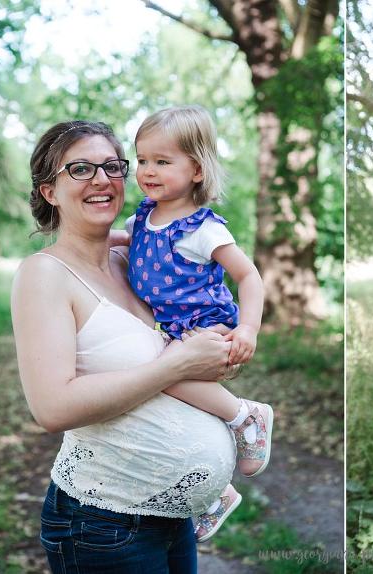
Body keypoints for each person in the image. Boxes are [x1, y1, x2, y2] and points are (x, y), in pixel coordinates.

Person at [12, 120, 237, 573]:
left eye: (112, 166)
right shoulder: (44, 276)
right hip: (103, 525)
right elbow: (52, 408)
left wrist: (218, 350)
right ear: (49, 191)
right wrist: (177, 365)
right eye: (79, 169)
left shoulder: (134, 261)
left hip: (172, 516)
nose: (101, 179)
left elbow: (183, 334)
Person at [125, 105, 272, 543]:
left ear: (196, 168)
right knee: (159, 412)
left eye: (162, 161)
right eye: (142, 160)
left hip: (203, 328)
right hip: (167, 331)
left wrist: (248, 331)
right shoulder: (142, 218)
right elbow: (123, 245)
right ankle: (214, 495)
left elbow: (249, 277)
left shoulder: (203, 229)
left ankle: (246, 416)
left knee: (160, 381)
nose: (148, 171)